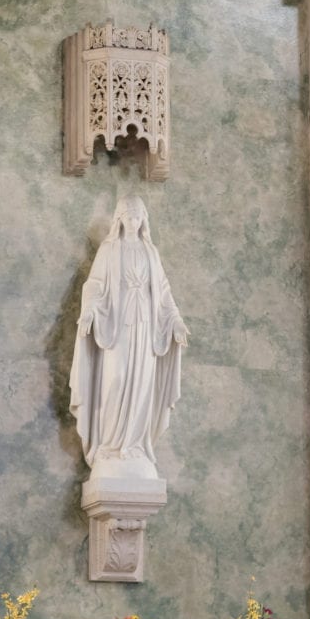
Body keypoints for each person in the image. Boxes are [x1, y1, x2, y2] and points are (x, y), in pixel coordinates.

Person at [69, 194, 188, 481]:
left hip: (146, 330)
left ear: (143, 220)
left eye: (138, 217)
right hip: (118, 329)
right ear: (119, 219)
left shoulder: (151, 253)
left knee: (142, 386)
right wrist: (89, 311)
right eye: (129, 217)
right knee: (116, 379)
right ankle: (110, 446)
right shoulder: (110, 250)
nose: (134, 222)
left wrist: (175, 320)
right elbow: (95, 285)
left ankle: (134, 447)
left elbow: (163, 291)